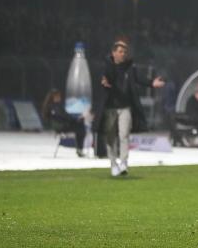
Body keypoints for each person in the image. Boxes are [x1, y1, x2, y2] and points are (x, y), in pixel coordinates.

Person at [93, 37, 165, 176]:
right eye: (120, 51)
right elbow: (101, 78)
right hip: (109, 108)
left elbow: (139, 79)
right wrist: (103, 81)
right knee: (110, 137)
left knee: (124, 135)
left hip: (125, 107)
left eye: (124, 52)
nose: (123, 54)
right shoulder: (106, 66)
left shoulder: (130, 68)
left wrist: (151, 83)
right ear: (113, 53)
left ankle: (124, 162)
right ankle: (113, 164)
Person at [41, 89, 86, 157]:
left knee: (80, 126)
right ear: (54, 97)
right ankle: (79, 149)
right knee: (80, 127)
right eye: (58, 96)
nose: (59, 98)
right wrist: (75, 120)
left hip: (63, 124)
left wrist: (74, 119)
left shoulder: (56, 106)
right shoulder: (53, 107)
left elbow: (65, 115)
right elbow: (62, 117)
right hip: (60, 126)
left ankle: (79, 149)